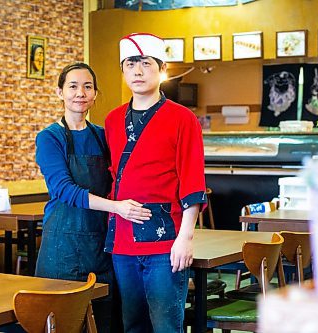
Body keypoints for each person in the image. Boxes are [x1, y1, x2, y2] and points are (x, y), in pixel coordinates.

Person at [35, 62, 151, 333]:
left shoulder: (103, 135)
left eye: (88, 87)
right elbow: (64, 190)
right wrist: (117, 207)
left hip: (101, 248)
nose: (80, 93)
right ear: (59, 92)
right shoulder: (49, 138)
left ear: (95, 94)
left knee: (104, 323)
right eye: (72, 86)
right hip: (62, 250)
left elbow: (123, 178)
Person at [104, 33, 207, 332]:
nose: (137, 71)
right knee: (132, 323)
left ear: (161, 69)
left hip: (166, 241)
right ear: (123, 71)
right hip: (122, 238)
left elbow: (192, 181)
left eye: (146, 63)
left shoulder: (183, 118)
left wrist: (185, 238)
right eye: (130, 64)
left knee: (165, 325)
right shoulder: (112, 120)